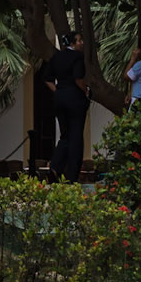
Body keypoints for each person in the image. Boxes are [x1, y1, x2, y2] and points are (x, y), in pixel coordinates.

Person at [41, 31, 89, 183]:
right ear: (73, 44)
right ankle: (72, 175)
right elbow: (78, 78)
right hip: (75, 99)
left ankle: (55, 167)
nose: (82, 43)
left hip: (60, 97)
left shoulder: (57, 57)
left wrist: (58, 91)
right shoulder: (78, 57)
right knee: (75, 137)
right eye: (79, 40)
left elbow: (47, 79)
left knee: (65, 136)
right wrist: (86, 91)